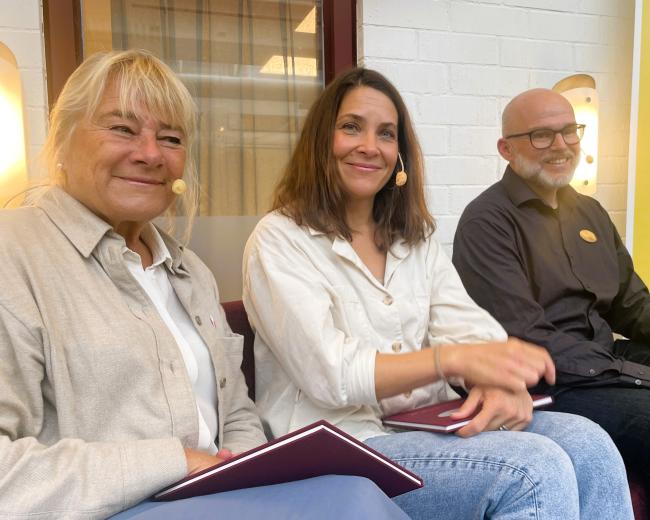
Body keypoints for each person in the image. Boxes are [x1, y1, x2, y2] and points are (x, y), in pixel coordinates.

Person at [0, 50, 409, 520]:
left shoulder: (189, 270)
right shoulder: (13, 254)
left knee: (358, 493)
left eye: (170, 138)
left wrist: (243, 472)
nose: (150, 154)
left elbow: (236, 414)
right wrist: (177, 463)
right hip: (108, 509)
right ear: (62, 137)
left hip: (217, 495)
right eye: (122, 129)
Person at [242, 68, 633, 519]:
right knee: (532, 470)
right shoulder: (279, 239)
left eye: (386, 134)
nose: (370, 146)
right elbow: (329, 373)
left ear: (400, 154)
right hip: (342, 446)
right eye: (351, 127)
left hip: (428, 423)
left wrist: (495, 380)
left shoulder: (413, 238)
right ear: (319, 142)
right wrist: (449, 361)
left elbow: (468, 326)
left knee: (589, 443)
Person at [452, 87, 650, 489]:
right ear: (506, 149)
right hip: (549, 384)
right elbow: (527, 338)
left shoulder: (590, 212)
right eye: (542, 135)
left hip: (602, 360)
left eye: (569, 131)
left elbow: (632, 305)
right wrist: (631, 373)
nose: (560, 146)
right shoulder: (486, 223)